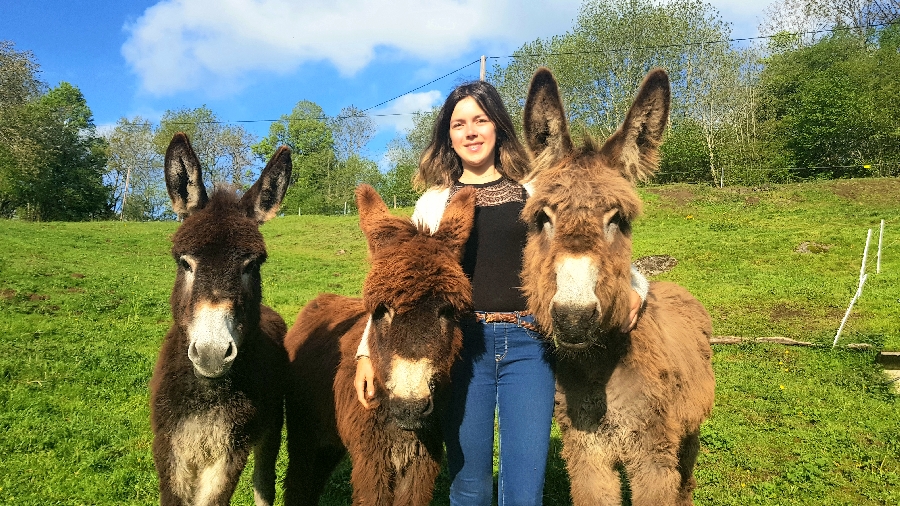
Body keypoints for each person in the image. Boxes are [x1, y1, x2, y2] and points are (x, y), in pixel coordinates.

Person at [354, 80, 647, 505]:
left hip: (529, 345)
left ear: (498, 127)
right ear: (448, 136)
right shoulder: (432, 204)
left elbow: (590, 244)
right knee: (469, 484)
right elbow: (400, 292)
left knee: (523, 488)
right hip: (462, 347)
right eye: (459, 124)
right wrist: (367, 350)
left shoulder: (536, 190)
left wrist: (638, 285)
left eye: (480, 120)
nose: (470, 131)